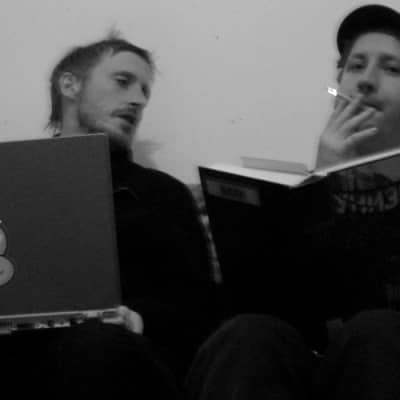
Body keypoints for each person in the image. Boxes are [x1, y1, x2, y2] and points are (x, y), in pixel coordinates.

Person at [185, 4, 400, 400]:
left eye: (392, 69)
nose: (366, 81)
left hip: (383, 356)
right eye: (355, 66)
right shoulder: (293, 194)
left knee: (377, 331)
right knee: (248, 335)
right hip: (296, 363)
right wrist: (329, 174)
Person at [1, 36, 220, 399]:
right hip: (21, 357)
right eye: (123, 81)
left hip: (122, 359)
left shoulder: (164, 194)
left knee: (94, 345)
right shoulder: (12, 182)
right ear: (70, 85)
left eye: (144, 91)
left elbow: (201, 309)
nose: (138, 100)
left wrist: (138, 318)